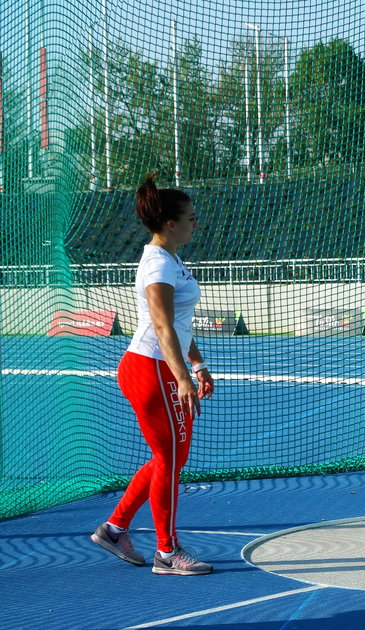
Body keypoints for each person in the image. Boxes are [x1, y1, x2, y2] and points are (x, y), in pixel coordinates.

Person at [91, 175, 214, 575]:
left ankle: (114, 529)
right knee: (171, 458)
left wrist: (197, 365)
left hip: (162, 367)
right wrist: (182, 379)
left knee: (168, 459)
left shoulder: (174, 259)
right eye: (191, 218)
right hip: (151, 368)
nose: (196, 223)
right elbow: (162, 329)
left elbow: (181, 324)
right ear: (169, 223)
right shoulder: (158, 264)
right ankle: (167, 552)